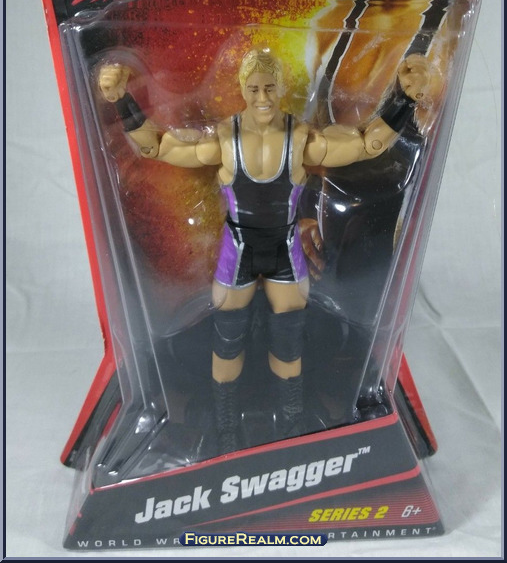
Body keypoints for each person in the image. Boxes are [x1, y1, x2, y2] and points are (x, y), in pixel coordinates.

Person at [98, 47, 430, 453]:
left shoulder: (300, 137)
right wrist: (122, 100)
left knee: (288, 342)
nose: (262, 98)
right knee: (227, 340)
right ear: (242, 89)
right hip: (237, 250)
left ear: (281, 88)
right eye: (254, 89)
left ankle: (291, 427)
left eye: (270, 88)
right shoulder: (225, 138)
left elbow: (367, 144)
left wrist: (403, 98)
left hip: (284, 249)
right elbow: (158, 147)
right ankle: (225, 431)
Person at [300, 0, 480, 419]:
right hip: (327, 274)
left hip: (399, 293)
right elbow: (308, 136)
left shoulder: (464, 22)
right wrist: (302, 214)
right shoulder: (336, 19)